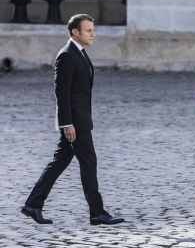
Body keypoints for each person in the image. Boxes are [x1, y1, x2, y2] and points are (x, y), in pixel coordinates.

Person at [22, 14, 125, 226]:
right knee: (89, 162)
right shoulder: (67, 55)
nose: (93, 34)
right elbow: (62, 92)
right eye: (88, 30)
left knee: (59, 162)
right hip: (75, 123)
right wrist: (66, 123)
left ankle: (33, 204)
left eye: (93, 30)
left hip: (79, 119)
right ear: (75, 32)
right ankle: (97, 213)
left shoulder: (79, 53)